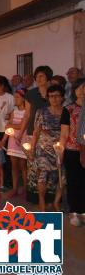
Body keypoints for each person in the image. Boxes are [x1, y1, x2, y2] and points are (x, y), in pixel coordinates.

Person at [17, 65, 52, 204]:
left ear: (48, 77)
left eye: (41, 76)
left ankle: (49, 197)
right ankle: (35, 196)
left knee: (49, 166)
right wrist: (21, 133)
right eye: (37, 76)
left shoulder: (54, 92)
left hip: (50, 135)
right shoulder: (31, 94)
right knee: (33, 165)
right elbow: (27, 115)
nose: (38, 79)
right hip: (33, 132)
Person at [28, 84, 66, 212]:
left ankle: (56, 202)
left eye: (57, 96)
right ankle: (41, 201)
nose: (54, 99)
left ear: (62, 97)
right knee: (42, 175)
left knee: (61, 177)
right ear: (48, 98)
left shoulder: (67, 112)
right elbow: (36, 132)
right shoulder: (42, 112)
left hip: (61, 149)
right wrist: (32, 150)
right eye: (51, 96)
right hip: (43, 149)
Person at [59, 77, 85, 226]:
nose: (83, 91)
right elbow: (64, 133)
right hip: (72, 151)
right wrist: (61, 152)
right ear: (75, 91)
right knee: (74, 182)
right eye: (80, 88)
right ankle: (74, 212)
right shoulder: (68, 109)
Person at [0, 88, 28, 198]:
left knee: (23, 166)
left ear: (23, 98)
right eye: (14, 97)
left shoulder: (27, 112)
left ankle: (25, 188)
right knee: (14, 166)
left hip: (22, 140)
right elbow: (9, 127)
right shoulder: (14, 111)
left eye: (17, 97)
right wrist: (3, 140)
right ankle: (15, 188)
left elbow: (21, 126)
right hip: (12, 141)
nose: (15, 99)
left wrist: (11, 126)